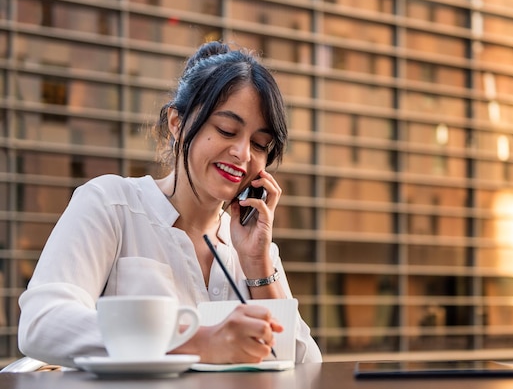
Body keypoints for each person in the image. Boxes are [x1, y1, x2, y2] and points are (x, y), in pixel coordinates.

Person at [17, 41, 323, 367]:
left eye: (259, 144)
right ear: (177, 123)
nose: (243, 154)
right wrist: (195, 342)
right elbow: (41, 324)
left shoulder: (252, 247)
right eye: (226, 130)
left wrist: (258, 266)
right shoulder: (112, 205)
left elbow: (307, 366)